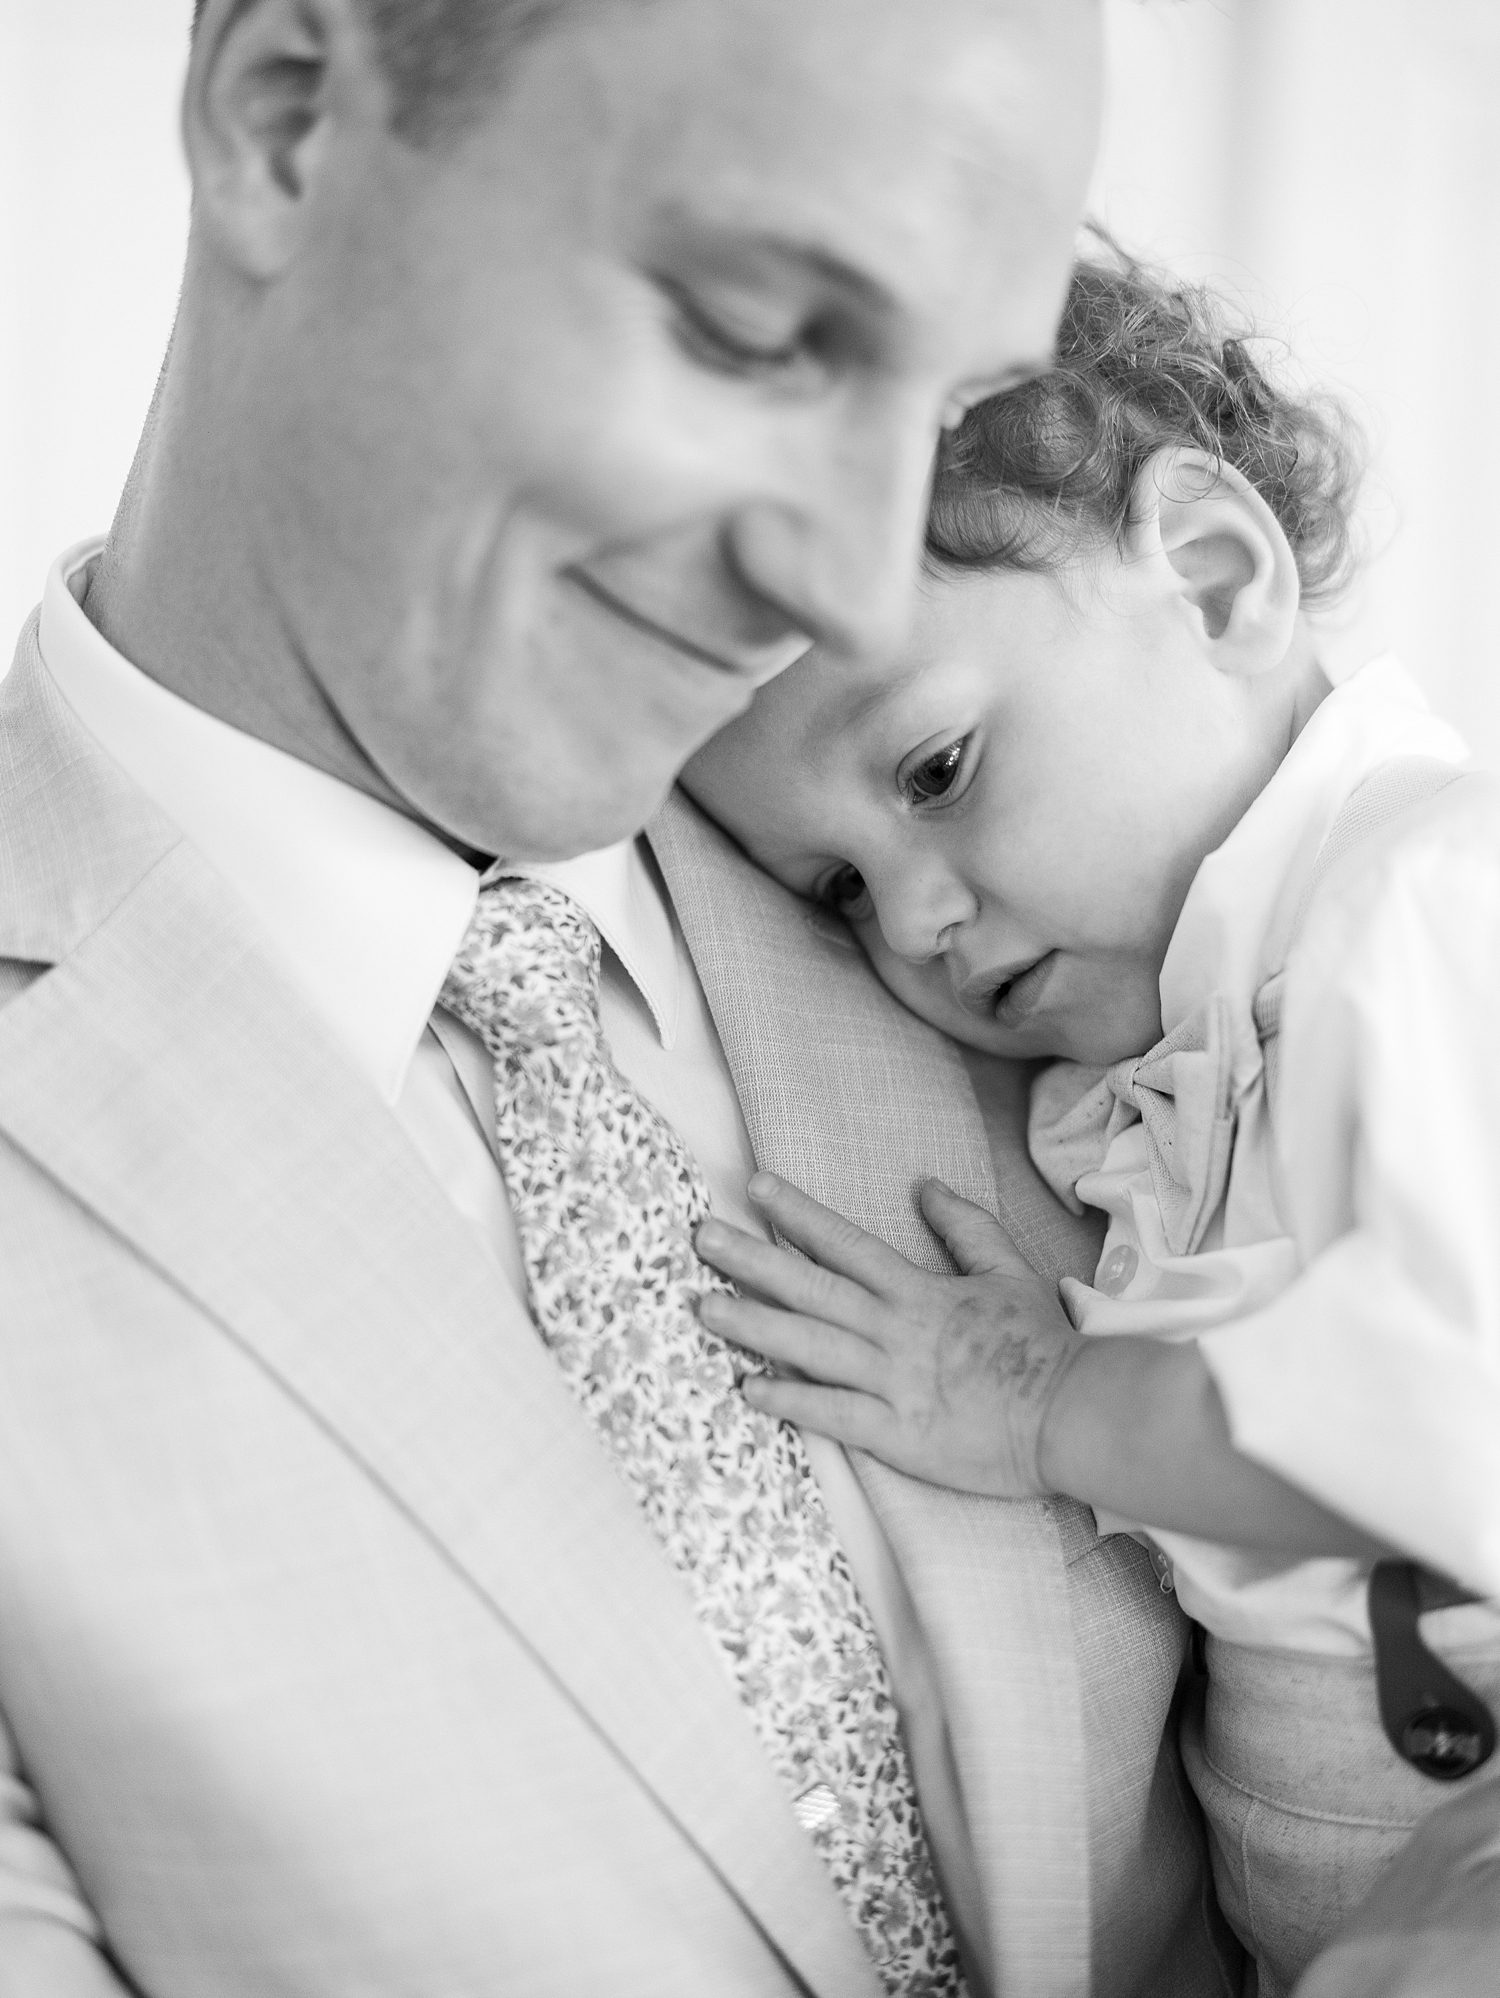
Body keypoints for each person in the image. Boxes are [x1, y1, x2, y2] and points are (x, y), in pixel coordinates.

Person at [0, 2, 1250, 1994]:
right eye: (761, 338)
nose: (850, 589)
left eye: (943, 408)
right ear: (287, 121)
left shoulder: (1058, 889)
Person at [685, 247, 1500, 1996]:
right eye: (835, 886)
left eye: (934, 773)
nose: (909, 922)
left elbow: (1451, 1421)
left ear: (1211, 579)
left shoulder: (1428, 899)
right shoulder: (1147, 1058)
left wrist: (1046, 1398)